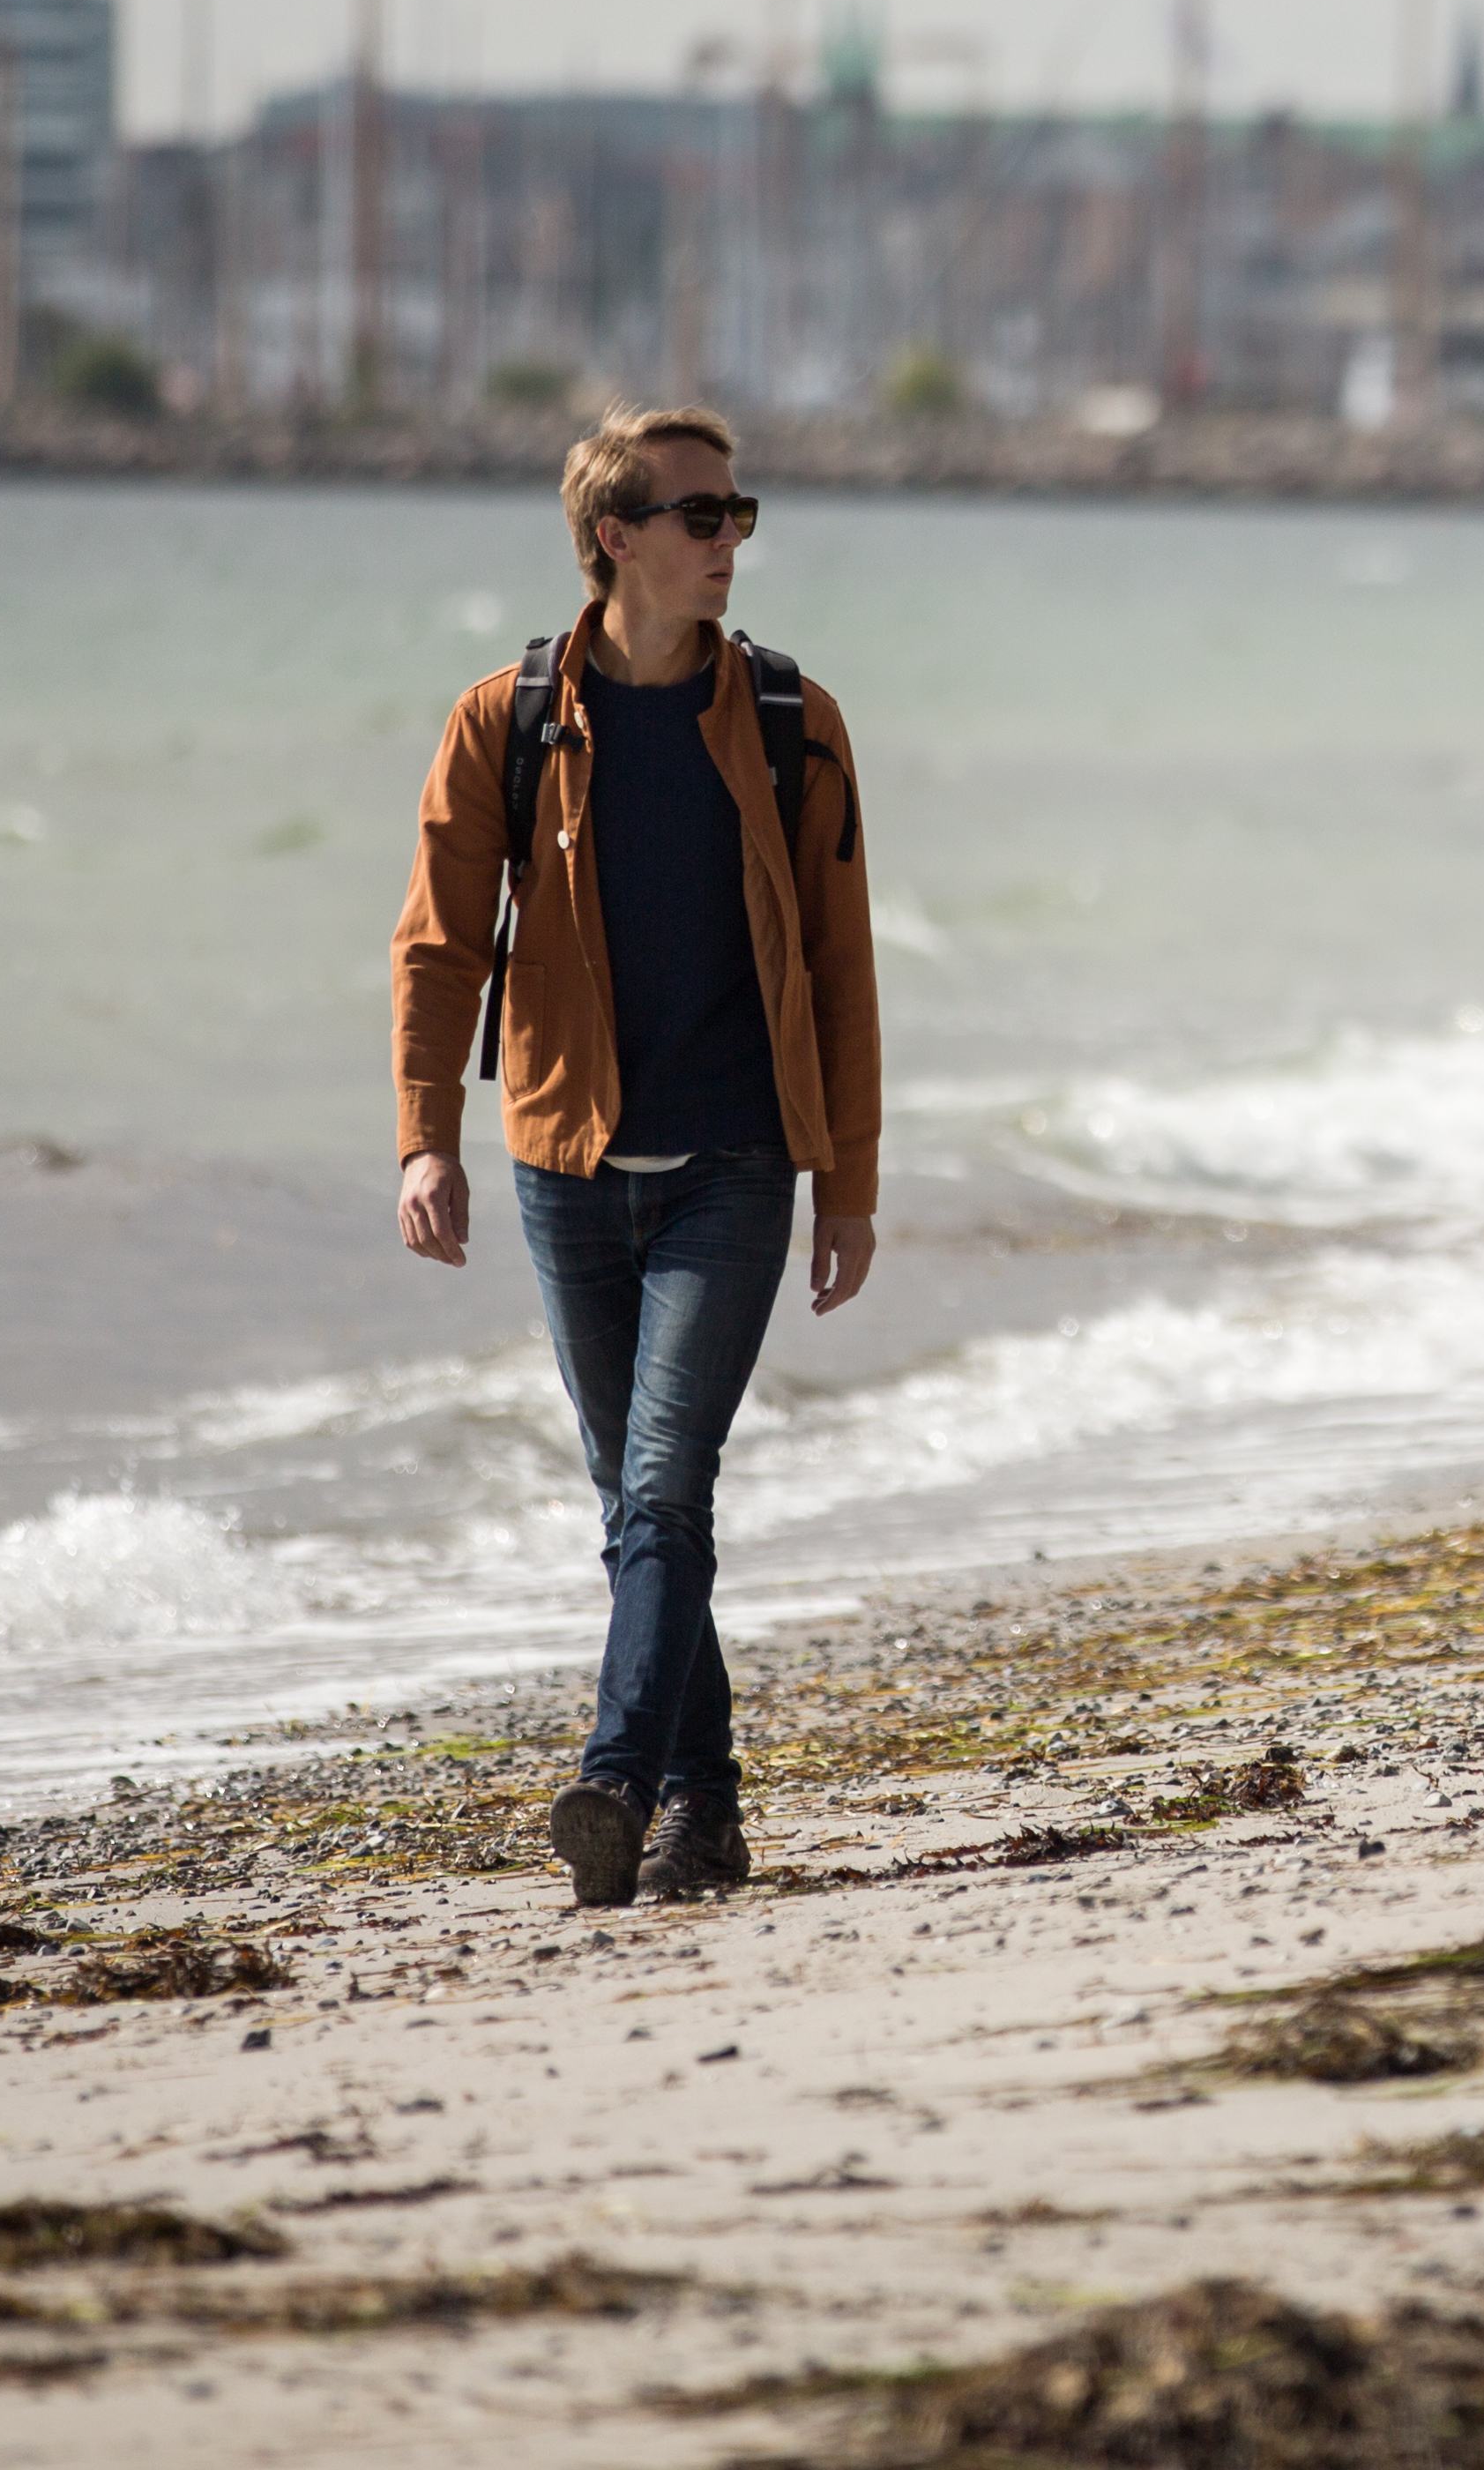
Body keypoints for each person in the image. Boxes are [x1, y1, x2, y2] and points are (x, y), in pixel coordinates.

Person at [390, 403, 879, 1907]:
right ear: (615, 538)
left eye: (738, 514)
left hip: (736, 1163)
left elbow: (846, 959)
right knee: (635, 1504)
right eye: (699, 517)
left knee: (664, 1491)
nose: (729, 541)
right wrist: (425, 1141)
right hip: (564, 1163)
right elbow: (438, 944)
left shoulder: (794, 721)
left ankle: (614, 1778)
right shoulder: (510, 719)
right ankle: (706, 1809)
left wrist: (847, 1180)